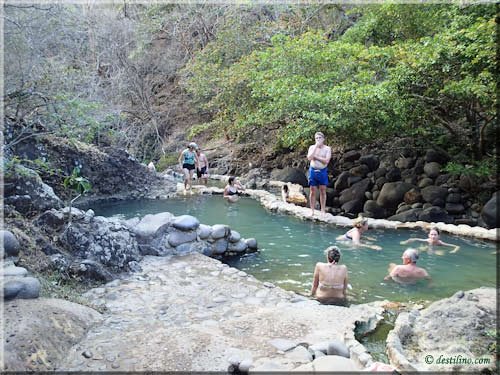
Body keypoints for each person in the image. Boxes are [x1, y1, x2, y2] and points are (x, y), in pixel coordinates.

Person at [307, 132, 331, 216]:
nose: (318, 139)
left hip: (322, 171)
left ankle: (323, 210)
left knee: (323, 190)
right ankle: (312, 210)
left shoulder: (327, 149)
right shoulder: (312, 147)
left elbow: (326, 161)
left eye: (320, 138)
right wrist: (316, 147)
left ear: (323, 139)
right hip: (313, 170)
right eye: (316, 138)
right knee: (312, 190)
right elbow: (309, 158)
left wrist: (316, 157)